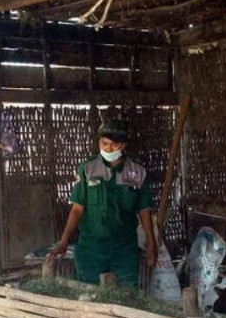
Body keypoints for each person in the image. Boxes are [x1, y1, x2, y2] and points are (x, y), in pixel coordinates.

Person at [50, 119, 158, 286]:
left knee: (126, 296)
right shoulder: (87, 169)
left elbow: (144, 211)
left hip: (124, 249)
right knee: (90, 296)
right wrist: (64, 241)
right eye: (104, 143)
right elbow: (77, 209)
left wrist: (151, 242)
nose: (108, 148)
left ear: (123, 145)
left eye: (113, 145)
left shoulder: (138, 173)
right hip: (91, 249)